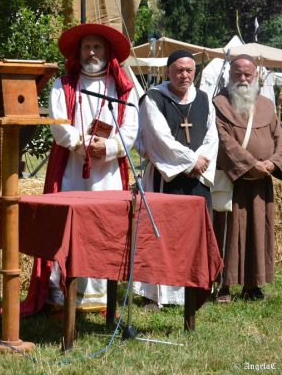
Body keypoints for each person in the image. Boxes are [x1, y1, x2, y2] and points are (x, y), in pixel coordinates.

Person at [23, 23, 137, 315]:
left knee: (103, 228)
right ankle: (61, 295)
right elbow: (59, 126)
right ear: (79, 51)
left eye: (97, 47)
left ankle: (101, 296)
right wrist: (84, 144)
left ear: (107, 51)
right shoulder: (64, 85)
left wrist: (109, 148)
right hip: (72, 170)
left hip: (108, 173)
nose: (91, 52)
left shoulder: (122, 88)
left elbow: (131, 129)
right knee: (68, 229)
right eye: (87, 47)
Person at [135, 50, 218, 308]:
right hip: (166, 176)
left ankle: (192, 291)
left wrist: (201, 161)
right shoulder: (153, 99)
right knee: (164, 235)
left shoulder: (204, 99)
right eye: (179, 70)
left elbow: (212, 137)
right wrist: (191, 162)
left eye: (189, 70)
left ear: (195, 72)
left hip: (197, 179)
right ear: (168, 72)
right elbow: (158, 139)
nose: (184, 75)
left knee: (194, 236)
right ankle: (159, 296)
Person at [213, 55, 282, 302]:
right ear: (229, 75)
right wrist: (251, 165)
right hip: (234, 181)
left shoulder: (266, 106)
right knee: (228, 232)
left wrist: (273, 162)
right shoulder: (219, 105)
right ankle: (223, 285)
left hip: (261, 183)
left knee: (258, 231)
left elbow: (279, 138)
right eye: (238, 74)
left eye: (248, 74)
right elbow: (224, 142)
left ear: (256, 77)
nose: (243, 79)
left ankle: (253, 285)